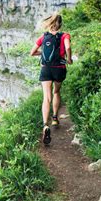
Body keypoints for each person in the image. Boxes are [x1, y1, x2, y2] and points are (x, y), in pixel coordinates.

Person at [30, 12, 72, 145]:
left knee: (46, 97)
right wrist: (69, 59)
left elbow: (32, 52)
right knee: (56, 92)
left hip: (46, 69)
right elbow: (68, 47)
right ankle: (55, 118)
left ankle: (45, 125)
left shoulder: (44, 37)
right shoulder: (65, 35)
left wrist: (42, 53)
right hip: (59, 68)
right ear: (60, 24)